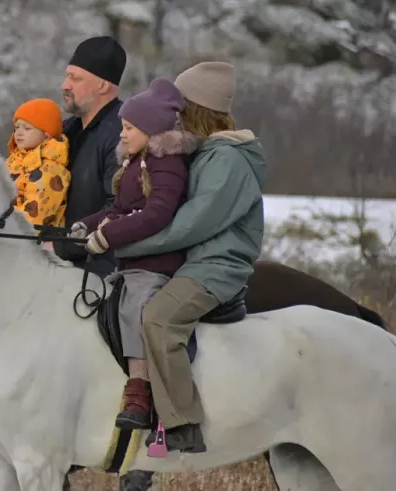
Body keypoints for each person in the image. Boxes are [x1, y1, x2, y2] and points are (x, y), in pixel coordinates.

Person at [108, 61, 267, 453]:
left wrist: (123, 244)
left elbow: (191, 225)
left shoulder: (227, 160)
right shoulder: (203, 154)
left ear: (196, 110)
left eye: (180, 108)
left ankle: (181, 423)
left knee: (159, 318)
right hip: (192, 261)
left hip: (217, 265)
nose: (172, 116)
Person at [72, 78, 200, 431]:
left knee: (135, 307)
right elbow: (120, 209)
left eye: (129, 128)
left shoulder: (167, 165)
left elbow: (157, 214)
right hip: (130, 262)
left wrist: (108, 236)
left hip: (157, 265)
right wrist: (87, 225)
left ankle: (140, 390)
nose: (122, 134)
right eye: (123, 127)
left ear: (152, 130)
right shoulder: (136, 162)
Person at [53, 36, 127, 278]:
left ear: (103, 86)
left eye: (76, 78)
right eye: (67, 76)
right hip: (58, 266)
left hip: (98, 275)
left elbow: (118, 208)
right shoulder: (67, 131)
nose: (65, 85)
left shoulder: (122, 133)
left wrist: (59, 246)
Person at [5, 98, 71, 228]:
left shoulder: (51, 169)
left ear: (46, 135)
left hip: (33, 241)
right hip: (3, 232)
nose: (19, 133)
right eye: (17, 127)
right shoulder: (13, 161)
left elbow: (35, 215)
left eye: (27, 128)